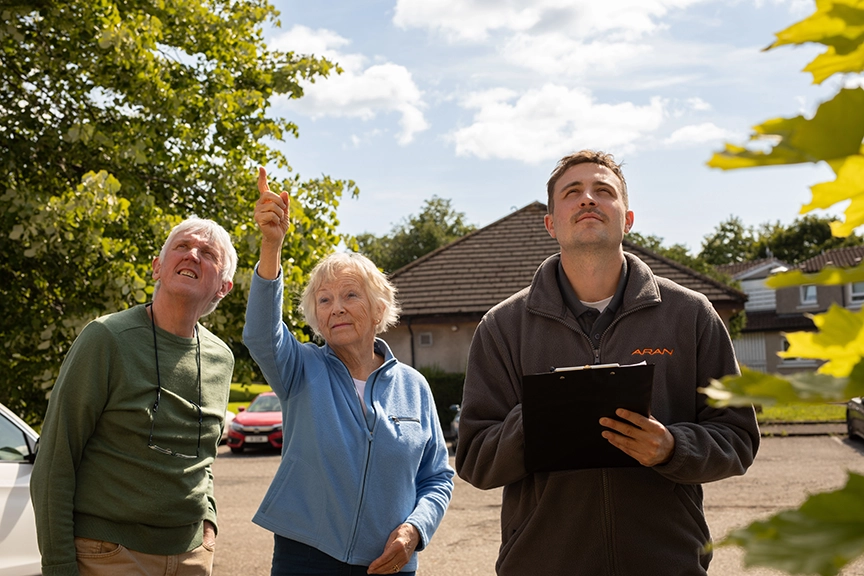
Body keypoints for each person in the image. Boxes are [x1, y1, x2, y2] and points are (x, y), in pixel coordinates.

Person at [455, 150, 760, 575]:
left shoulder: (690, 315)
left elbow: (738, 438)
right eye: (572, 192)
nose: (587, 200)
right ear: (550, 224)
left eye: (603, 191)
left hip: (666, 563)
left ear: (628, 219)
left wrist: (672, 448)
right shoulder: (502, 327)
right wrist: (538, 421)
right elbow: (473, 459)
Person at [243, 168, 454, 576]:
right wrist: (272, 245)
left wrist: (414, 530)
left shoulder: (414, 386)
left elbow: (438, 477)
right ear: (317, 318)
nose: (336, 307)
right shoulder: (300, 367)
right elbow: (261, 335)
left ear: (378, 309)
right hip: (305, 557)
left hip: (390, 561)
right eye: (324, 300)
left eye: (350, 295)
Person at [31, 217, 238, 576]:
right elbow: (54, 462)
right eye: (182, 246)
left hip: (192, 557)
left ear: (223, 287)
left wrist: (209, 523)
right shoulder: (106, 338)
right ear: (157, 267)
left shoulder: (222, 358)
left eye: (207, 253)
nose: (192, 255)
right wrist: (59, 567)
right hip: (109, 555)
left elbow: (204, 458)